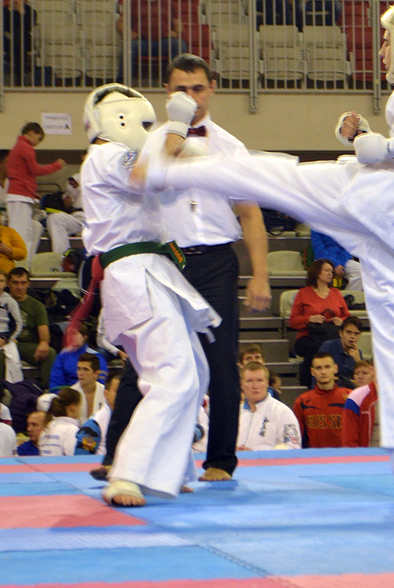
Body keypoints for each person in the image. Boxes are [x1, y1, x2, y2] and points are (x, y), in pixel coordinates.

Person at [140, 0, 394, 504]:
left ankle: (174, 164)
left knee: (279, 177)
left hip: (386, 197)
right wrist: (368, 138)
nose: (382, 50)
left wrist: (388, 147)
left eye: (387, 40)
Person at [103, 55, 272, 485]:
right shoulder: (147, 142)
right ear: (167, 92)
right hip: (164, 260)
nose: (191, 97)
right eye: (181, 89)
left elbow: (250, 214)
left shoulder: (230, 146)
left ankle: (220, 460)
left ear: (212, 88)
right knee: (145, 359)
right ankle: (115, 454)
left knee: (221, 360)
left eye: (198, 88)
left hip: (216, 260)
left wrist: (260, 275)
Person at [76, 83, 219, 506]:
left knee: (195, 371)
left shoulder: (122, 156)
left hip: (151, 269)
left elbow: (168, 177)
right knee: (172, 374)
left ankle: (167, 471)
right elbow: (146, 173)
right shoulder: (105, 155)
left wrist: (189, 147)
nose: (146, 128)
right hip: (133, 272)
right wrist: (175, 126)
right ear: (118, 117)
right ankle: (127, 475)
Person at [6, 122, 64, 267]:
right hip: (19, 196)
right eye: (38, 139)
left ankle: (26, 264)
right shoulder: (26, 147)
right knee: (20, 235)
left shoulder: (19, 147)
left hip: (21, 195)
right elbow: (36, 170)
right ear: (31, 133)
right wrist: (57, 165)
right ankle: (19, 267)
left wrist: (31, 193)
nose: (38, 143)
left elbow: (24, 174)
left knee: (33, 229)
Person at [290, 259, 350, 386]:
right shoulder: (303, 293)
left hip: (331, 335)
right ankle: (308, 386)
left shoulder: (336, 293)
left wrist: (341, 321)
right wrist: (309, 319)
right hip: (308, 337)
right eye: (326, 270)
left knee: (333, 347)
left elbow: (347, 317)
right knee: (317, 349)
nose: (330, 274)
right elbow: (293, 321)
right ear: (317, 272)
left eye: (331, 271)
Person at [118, 0, 183, 83]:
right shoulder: (134, 2)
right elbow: (120, 22)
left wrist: (176, 32)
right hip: (141, 42)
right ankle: (123, 82)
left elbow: (178, 23)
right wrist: (128, 32)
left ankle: (177, 81)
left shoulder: (168, 2)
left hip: (164, 42)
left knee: (179, 45)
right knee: (129, 46)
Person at [7, 268, 55, 386]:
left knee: (50, 353)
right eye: (15, 283)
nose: (19, 287)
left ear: (28, 284)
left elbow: (44, 332)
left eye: (23, 283)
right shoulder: (1, 302)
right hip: (6, 343)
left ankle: (48, 390)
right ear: (8, 284)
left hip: (27, 345)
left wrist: (44, 343)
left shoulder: (36, 306)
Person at [236, 362, 301, 450]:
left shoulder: (283, 412)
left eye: (260, 380)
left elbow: (294, 448)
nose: (255, 386)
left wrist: (255, 455)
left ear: (267, 383)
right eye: (249, 381)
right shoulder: (234, 413)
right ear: (241, 384)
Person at [292, 353, 351, 448]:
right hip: (314, 456)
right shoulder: (302, 401)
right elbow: (297, 438)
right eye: (318, 368)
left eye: (327, 367)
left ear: (335, 368)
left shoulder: (350, 397)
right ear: (312, 371)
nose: (323, 372)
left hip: (344, 455)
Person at [39, 389, 83, 456]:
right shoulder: (71, 430)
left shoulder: (47, 427)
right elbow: (74, 458)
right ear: (73, 407)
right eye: (80, 406)